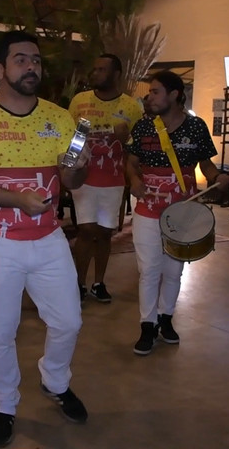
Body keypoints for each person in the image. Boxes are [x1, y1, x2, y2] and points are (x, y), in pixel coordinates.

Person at [0, 31, 91, 446]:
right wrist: (16, 199)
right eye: (21, 60)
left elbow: (71, 178)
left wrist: (79, 165)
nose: (31, 67)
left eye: (36, 60)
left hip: (48, 238)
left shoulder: (59, 117)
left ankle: (55, 381)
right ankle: (5, 405)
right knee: (0, 330)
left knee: (69, 320)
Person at [126, 70, 229, 357]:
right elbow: (131, 162)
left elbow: (206, 164)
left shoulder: (196, 127)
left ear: (174, 94)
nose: (150, 97)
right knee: (149, 270)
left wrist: (216, 176)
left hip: (182, 210)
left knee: (174, 270)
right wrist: (134, 181)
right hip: (148, 208)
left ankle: (165, 319)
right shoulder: (144, 127)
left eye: (156, 91)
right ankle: (147, 325)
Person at [68, 54, 143, 303]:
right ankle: (78, 283)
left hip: (113, 180)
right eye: (95, 69)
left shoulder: (131, 107)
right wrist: (68, 169)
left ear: (116, 75)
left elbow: (136, 146)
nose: (96, 73)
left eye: (102, 69)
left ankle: (99, 282)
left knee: (104, 231)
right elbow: (72, 139)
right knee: (87, 229)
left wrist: (126, 141)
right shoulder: (80, 101)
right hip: (84, 178)